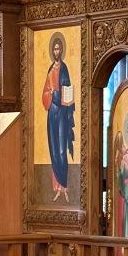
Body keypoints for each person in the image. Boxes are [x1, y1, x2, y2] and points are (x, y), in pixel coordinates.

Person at [41, 34, 74, 203]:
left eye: (58, 48)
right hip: (52, 113)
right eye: (54, 49)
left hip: (62, 113)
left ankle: (64, 187)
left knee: (61, 150)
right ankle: (57, 187)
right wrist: (51, 93)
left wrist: (64, 96)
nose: (56, 51)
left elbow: (68, 90)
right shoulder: (49, 70)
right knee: (53, 149)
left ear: (61, 50)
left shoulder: (64, 69)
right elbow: (44, 93)